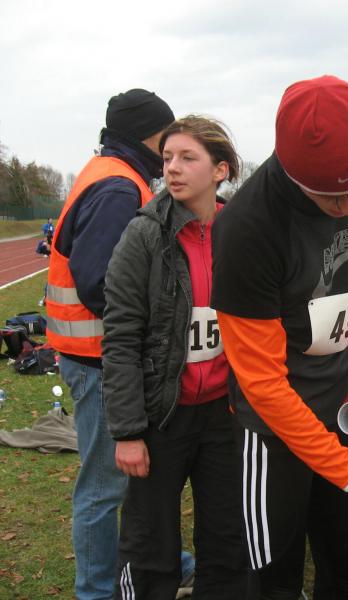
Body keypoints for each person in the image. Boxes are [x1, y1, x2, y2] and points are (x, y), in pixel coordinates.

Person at [211, 75, 348, 599]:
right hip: (272, 426)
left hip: (340, 400)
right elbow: (265, 386)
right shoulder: (247, 229)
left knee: (343, 559)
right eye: (331, 198)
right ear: (294, 178)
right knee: (276, 573)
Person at [103, 115, 250, 598]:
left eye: (188, 157)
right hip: (161, 416)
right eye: (167, 157)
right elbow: (121, 337)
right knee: (150, 545)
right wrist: (128, 432)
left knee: (228, 539)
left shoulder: (241, 232)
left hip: (224, 415)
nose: (172, 168)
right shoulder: (143, 235)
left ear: (221, 170)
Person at [45, 88, 176, 600]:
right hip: (98, 360)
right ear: (149, 134)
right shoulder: (119, 187)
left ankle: (150, 563)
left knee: (124, 479)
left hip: (95, 356)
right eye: (166, 135)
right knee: (103, 488)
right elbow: (99, 281)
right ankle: (97, 589)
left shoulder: (112, 174)